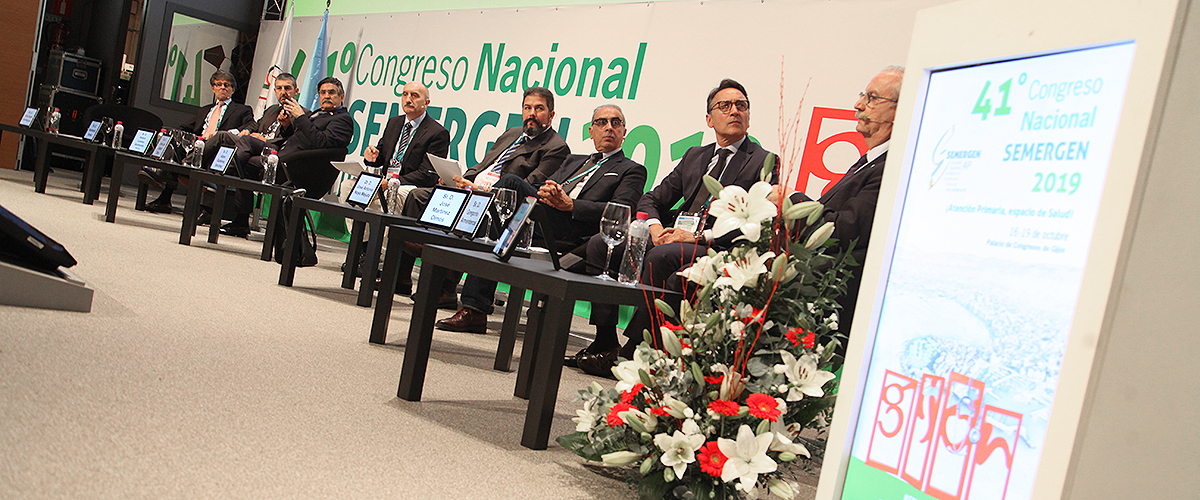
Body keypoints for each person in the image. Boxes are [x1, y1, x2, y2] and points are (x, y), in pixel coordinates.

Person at [571, 78, 778, 372]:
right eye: (725, 106)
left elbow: (760, 219)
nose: (734, 111)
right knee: (601, 244)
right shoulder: (696, 156)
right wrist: (654, 228)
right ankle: (605, 340)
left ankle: (634, 351)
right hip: (673, 237)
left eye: (741, 106)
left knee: (660, 257)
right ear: (709, 118)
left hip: (716, 246)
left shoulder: (763, 161)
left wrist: (696, 236)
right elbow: (652, 199)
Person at [435, 104, 647, 333]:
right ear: (590, 131)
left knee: (510, 185)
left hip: (576, 229)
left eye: (616, 123)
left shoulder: (631, 169)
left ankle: (467, 302)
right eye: (601, 122)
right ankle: (472, 307)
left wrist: (571, 205)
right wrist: (547, 193)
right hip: (544, 215)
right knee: (497, 219)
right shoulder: (575, 160)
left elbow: (622, 209)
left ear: (624, 132)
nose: (608, 128)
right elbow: (542, 187)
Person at [395, 86, 569, 299]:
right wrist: (463, 179)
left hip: (501, 202)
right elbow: (485, 165)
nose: (531, 114)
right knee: (417, 196)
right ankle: (401, 278)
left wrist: (483, 190)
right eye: (527, 107)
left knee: (471, 212)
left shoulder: (556, 147)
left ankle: (445, 286)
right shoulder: (512, 133)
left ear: (551, 115)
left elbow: (527, 187)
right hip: (473, 190)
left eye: (539, 109)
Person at [216, 76, 354, 237]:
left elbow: (321, 143)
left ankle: (226, 177)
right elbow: (298, 137)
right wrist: (287, 125)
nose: (327, 96)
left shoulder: (342, 119)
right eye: (323, 92)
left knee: (246, 165)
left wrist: (301, 117)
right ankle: (229, 172)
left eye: (332, 93)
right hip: (283, 155)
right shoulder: (320, 113)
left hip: (296, 167)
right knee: (246, 141)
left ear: (341, 97)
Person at [140, 69, 255, 214]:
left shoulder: (241, 109)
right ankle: (160, 174)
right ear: (213, 88)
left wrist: (231, 133)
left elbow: (251, 125)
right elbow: (185, 126)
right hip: (196, 145)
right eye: (219, 84)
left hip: (216, 148)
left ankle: (166, 172)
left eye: (227, 85)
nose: (223, 88)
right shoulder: (205, 110)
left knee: (181, 161)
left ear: (232, 89)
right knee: (173, 138)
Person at [341, 81, 450, 212]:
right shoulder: (394, 122)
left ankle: (386, 233)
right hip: (385, 180)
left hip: (408, 185)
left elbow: (427, 175)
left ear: (426, 103)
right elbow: (381, 157)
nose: (408, 99)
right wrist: (372, 157)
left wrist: (392, 182)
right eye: (405, 94)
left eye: (414, 95)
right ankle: (356, 232)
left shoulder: (437, 133)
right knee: (347, 186)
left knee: (393, 194)